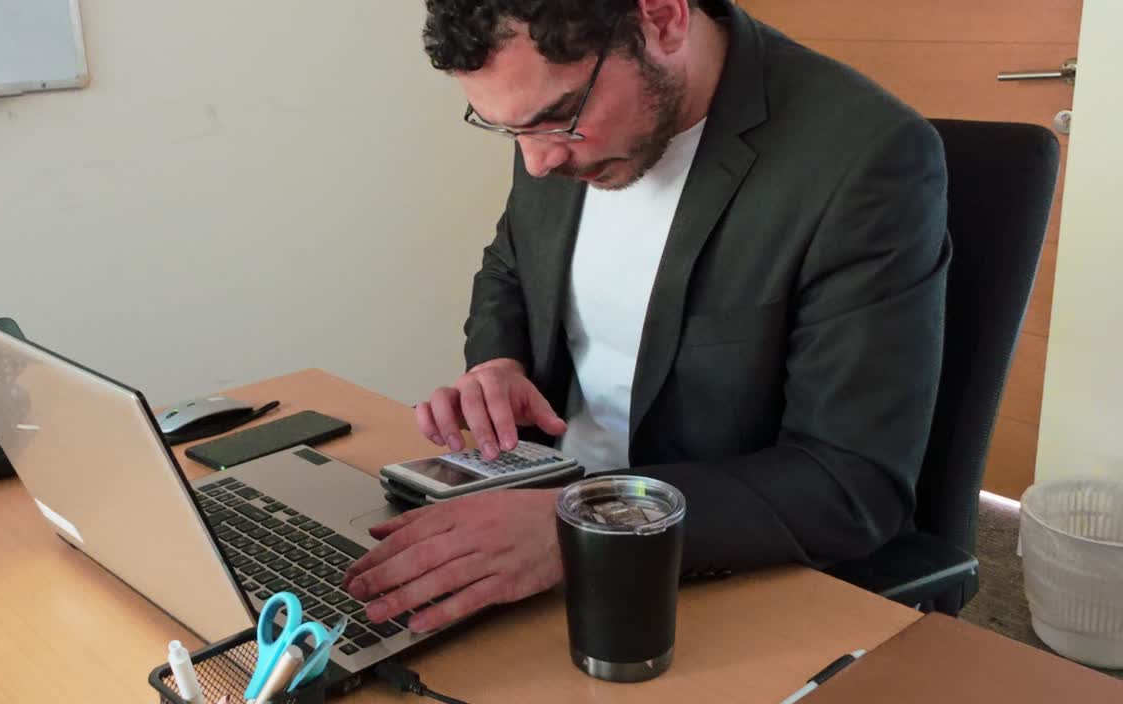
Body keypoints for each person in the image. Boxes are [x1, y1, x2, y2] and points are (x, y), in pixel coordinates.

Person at [344, 0, 950, 634]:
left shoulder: (864, 158)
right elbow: (511, 265)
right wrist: (500, 361)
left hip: (707, 574)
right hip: (534, 517)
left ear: (661, 19)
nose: (537, 163)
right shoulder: (553, 120)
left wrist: (581, 527)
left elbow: (850, 485)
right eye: (508, 131)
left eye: (556, 120)